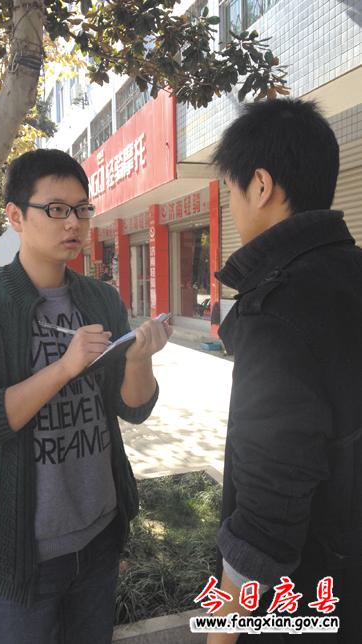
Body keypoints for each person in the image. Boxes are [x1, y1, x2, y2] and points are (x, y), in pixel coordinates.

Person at [0, 149, 171, 644]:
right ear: (16, 215)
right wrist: (64, 368)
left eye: (82, 209)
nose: (74, 223)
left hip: (99, 537)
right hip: (22, 555)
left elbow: (133, 407)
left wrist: (139, 359)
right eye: (57, 209)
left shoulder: (100, 299)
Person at [207, 99, 361, 643]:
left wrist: (220, 634)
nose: (232, 206)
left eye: (230, 190)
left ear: (261, 186)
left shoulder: (277, 309)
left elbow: (266, 514)